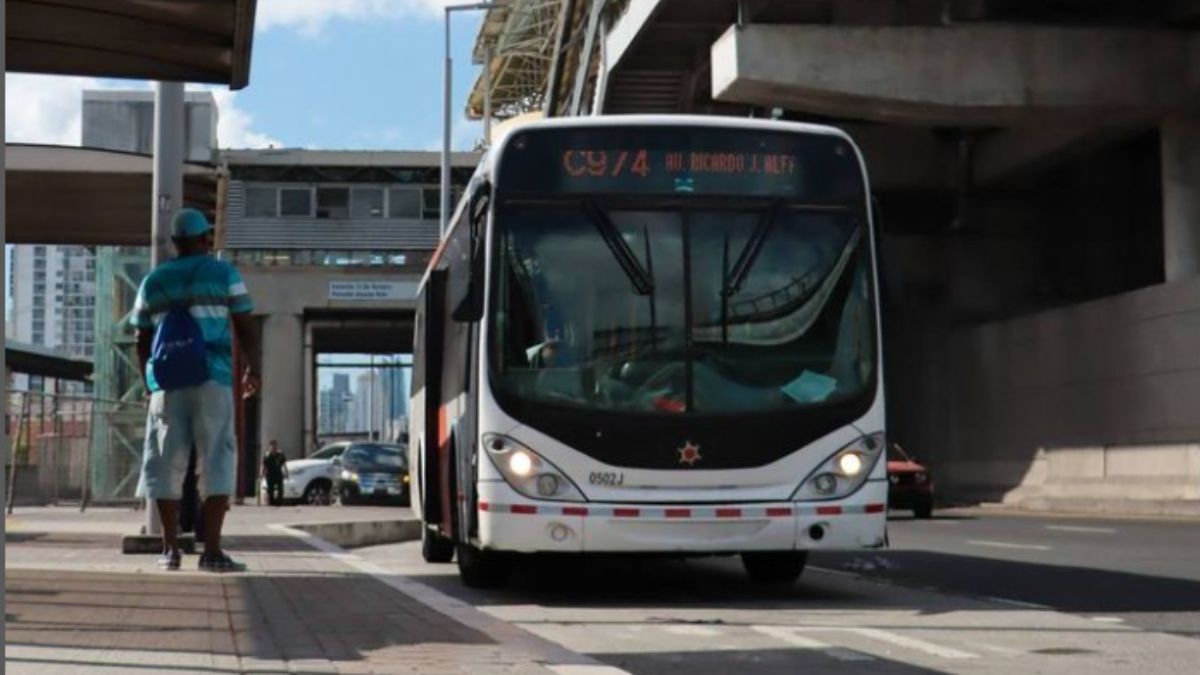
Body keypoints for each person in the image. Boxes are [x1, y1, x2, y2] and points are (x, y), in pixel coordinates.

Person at [133, 208, 258, 572]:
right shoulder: (223, 273)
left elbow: (141, 339)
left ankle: (170, 550)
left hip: (166, 386)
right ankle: (212, 552)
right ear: (205, 239)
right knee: (217, 459)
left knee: (164, 462)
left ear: (174, 243)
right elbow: (246, 323)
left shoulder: (153, 282)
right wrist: (253, 367)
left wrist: (148, 383)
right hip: (213, 379)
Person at [261, 440, 288, 507]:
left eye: (275, 446)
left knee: (280, 488)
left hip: (278, 473)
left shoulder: (280, 455)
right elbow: (264, 466)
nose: (274, 448)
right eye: (272, 446)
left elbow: (284, 464)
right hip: (270, 474)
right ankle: (271, 502)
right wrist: (262, 474)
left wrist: (286, 472)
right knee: (270, 489)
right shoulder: (267, 455)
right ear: (270, 447)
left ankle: (279, 502)